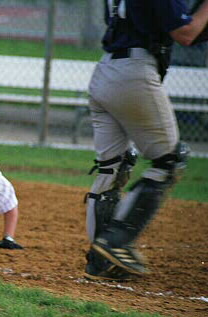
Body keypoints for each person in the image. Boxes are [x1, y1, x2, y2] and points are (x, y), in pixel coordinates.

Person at [83, 0, 208, 281]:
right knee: (170, 162)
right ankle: (115, 242)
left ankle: (100, 261)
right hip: (134, 74)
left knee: (112, 168)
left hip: (106, 71)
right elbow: (185, 33)